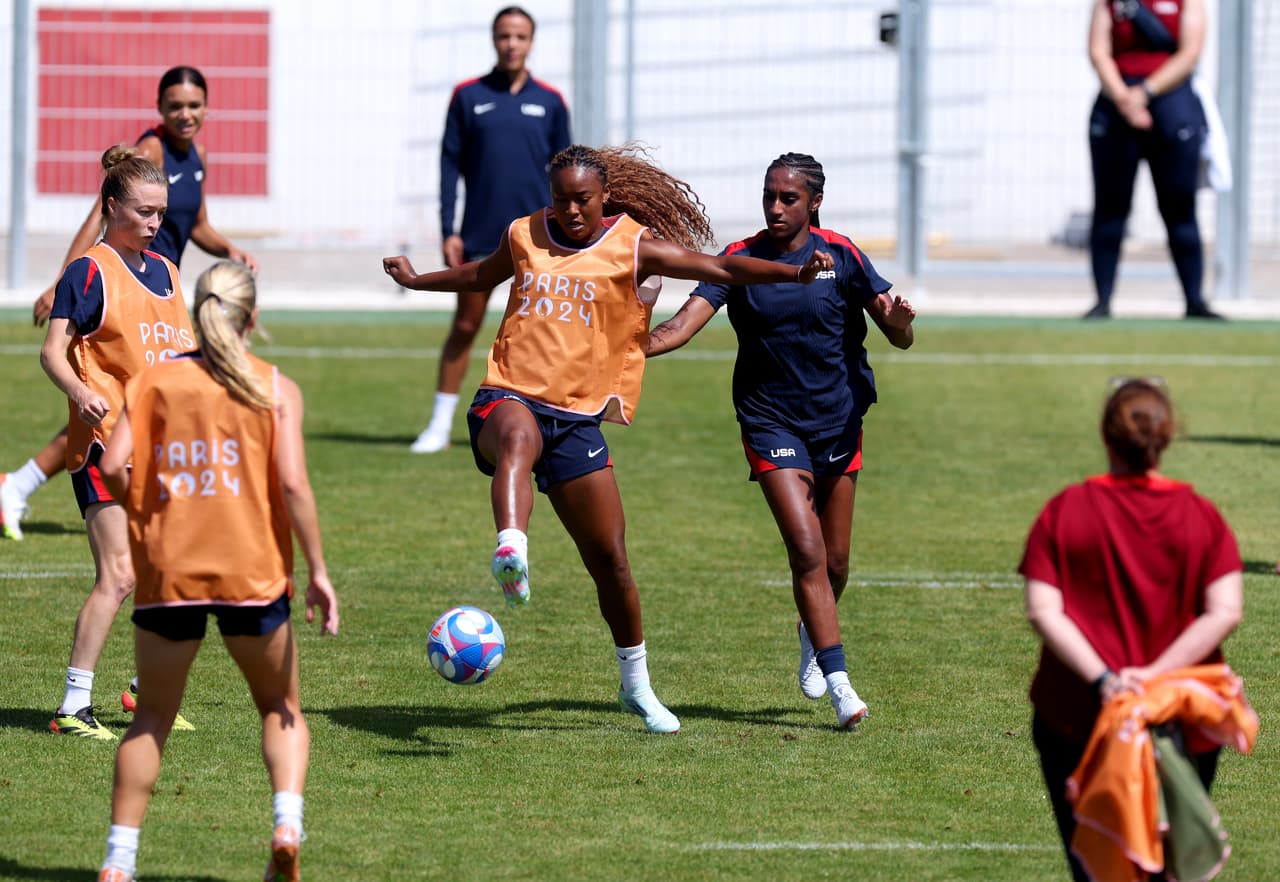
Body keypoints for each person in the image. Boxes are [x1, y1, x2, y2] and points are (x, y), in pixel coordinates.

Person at [384, 144, 834, 733]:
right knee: (517, 440)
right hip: (508, 394)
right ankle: (511, 548)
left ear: (603, 197)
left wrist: (792, 272)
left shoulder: (632, 245)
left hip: (577, 416)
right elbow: (479, 275)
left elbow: (720, 269)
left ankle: (636, 686)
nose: (571, 211)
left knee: (612, 563)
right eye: (561, 199)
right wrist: (419, 281)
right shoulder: (523, 235)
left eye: (582, 200)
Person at [645, 153, 916, 729]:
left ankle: (810, 632)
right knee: (807, 549)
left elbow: (899, 334)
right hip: (770, 423)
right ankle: (843, 688)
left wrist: (900, 320)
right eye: (769, 195)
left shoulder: (842, 254)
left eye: (788, 198)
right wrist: (623, 348)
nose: (775, 207)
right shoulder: (739, 261)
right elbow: (680, 327)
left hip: (837, 420)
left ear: (814, 202)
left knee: (835, 563)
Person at [94, 261, 338, 882]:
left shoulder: (153, 382)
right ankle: (286, 825)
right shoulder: (274, 387)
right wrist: (318, 570)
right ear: (252, 318)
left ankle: (119, 864)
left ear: (195, 311)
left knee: (150, 717)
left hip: (169, 573)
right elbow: (293, 484)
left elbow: (115, 467)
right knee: (281, 708)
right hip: (252, 575)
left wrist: (151, 515)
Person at [5, 65, 257, 541]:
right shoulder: (150, 152)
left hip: (160, 285)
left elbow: (196, 223)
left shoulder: (197, 153)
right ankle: (21, 486)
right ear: (159, 109)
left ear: (207, 108)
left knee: (123, 405)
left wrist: (230, 251)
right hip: (123, 285)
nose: (186, 114)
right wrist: (63, 282)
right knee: (109, 403)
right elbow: (98, 218)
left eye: (195, 105)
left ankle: (17, 486)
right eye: (176, 106)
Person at [1020, 378, 1244, 880]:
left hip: (1077, 714)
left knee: (1096, 866)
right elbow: (1225, 610)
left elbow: (1042, 609)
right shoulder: (1201, 516)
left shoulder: (1065, 510)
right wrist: (1154, 676)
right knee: (1164, 867)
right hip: (1178, 716)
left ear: (1105, 435)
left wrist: (1107, 681)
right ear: (1166, 438)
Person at [40, 146, 196, 741]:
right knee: (121, 575)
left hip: (161, 451)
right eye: (145, 212)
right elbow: (53, 351)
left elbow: (176, 359)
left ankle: (145, 692)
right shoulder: (89, 271)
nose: (155, 224)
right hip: (106, 445)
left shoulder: (169, 272)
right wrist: (80, 392)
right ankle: (72, 706)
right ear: (111, 207)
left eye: (161, 212)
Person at [410, 5, 571, 453]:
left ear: (531, 41)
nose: (512, 44)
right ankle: (440, 423)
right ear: (494, 40)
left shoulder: (552, 101)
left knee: (542, 332)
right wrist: (448, 228)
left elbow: (567, 172)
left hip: (540, 240)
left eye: (520, 36)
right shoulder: (468, 96)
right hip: (480, 235)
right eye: (504, 36)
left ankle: (543, 422)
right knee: (465, 325)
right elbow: (449, 165)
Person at [1083, 0, 1221, 320]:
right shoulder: (1111, 4)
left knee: (1179, 209)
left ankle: (1194, 301)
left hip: (1171, 106)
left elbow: (1190, 53)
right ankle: (1102, 300)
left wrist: (1144, 93)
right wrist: (1123, 98)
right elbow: (1098, 51)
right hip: (1115, 109)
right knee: (1110, 209)